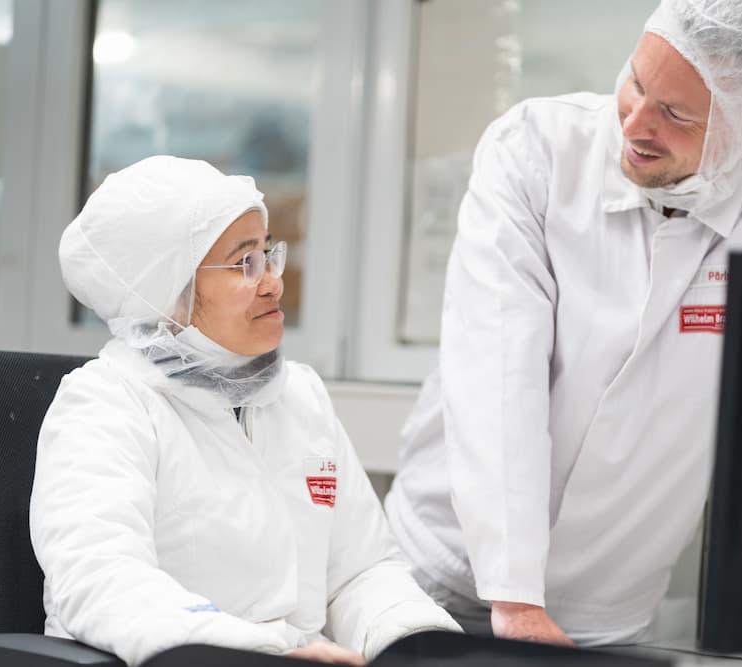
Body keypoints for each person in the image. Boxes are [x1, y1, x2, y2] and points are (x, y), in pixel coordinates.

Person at [383, 0, 742, 647]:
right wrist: (516, 593)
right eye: (637, 81)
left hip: (607, 609)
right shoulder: (535, 150)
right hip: (444, 574)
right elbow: (498, 369)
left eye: (675, 113)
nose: (636, 121)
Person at [29, 156, 460, 666]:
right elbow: (102, 580)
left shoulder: (299, 396)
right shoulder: (105, 403)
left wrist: (423, 645)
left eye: (268, 254)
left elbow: (360, 572)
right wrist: (267, 655)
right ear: (169, 296)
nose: (274, 281)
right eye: (243, 263)